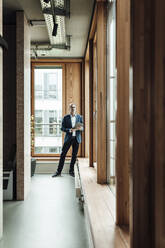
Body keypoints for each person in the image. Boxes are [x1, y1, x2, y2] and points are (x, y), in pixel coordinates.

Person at [52, 103, 83, 177]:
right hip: (68, 138)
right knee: (63, 154)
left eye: (74, 107)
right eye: (71, 108)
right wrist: (69, 130)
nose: (73, 109)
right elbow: (62, 128)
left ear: (76, 108)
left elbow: (83, 127)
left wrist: (80, 128)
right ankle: (58, 172)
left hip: (76, 139)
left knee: (74, 155)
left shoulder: (79, 117)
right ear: (69, 109)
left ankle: (71, 171)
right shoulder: (65, 117)